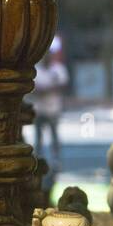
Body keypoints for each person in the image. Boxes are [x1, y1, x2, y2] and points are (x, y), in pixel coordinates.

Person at [32, 36, 69, 169]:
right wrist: (48, 89)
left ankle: (56, 159)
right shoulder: (36, 70)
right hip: (40, 108)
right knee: (38, 136)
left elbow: (63, 84)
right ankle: (38, 158)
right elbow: (34, 88)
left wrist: (46, 89)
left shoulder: (58, 69)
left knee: (54, 135)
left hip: (53, 108)